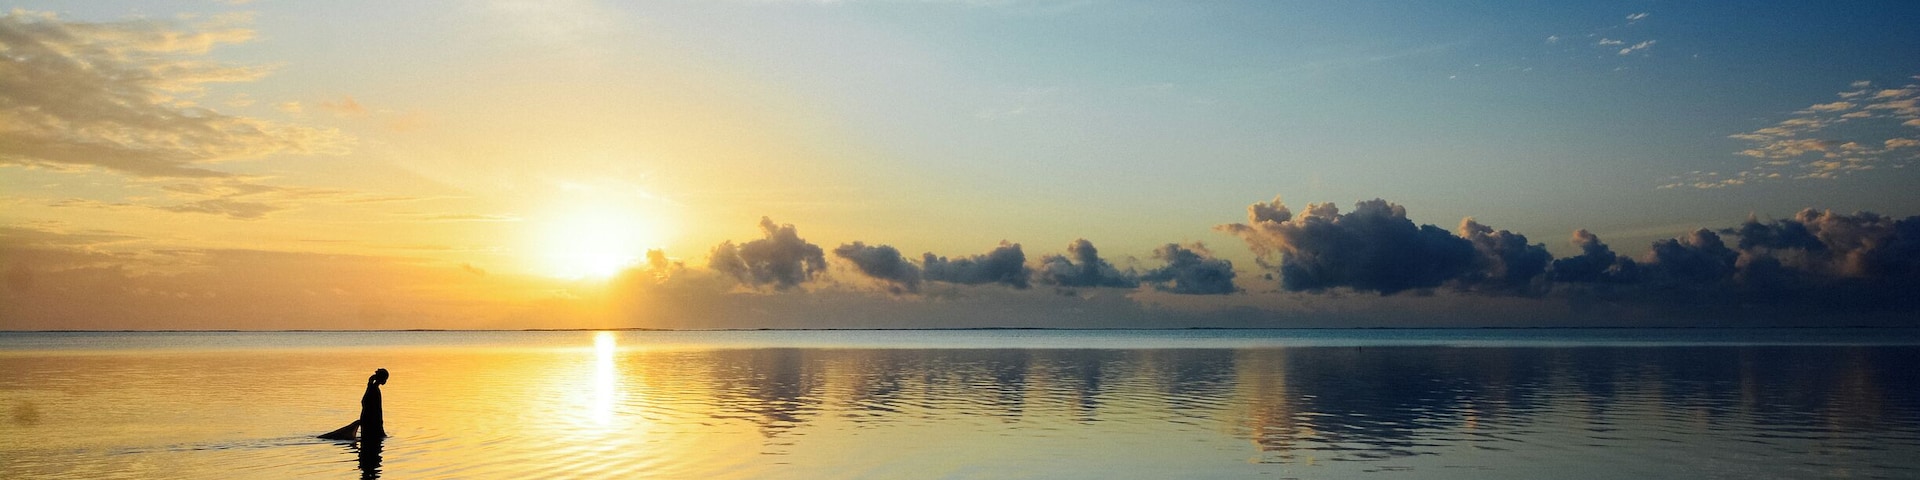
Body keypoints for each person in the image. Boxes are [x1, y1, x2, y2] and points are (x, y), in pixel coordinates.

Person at [319, 368, 389, 441]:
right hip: (371, 420)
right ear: (382, 379)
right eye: (386, 379)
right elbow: (366, 403)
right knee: (372, 440)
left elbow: (365, 402)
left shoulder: (372, 388)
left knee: (368, 440)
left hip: (369, 418)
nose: (386, 381)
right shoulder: (374, 389)